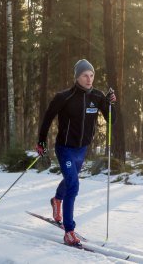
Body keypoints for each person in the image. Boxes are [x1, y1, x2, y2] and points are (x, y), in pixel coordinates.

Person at [36, 59, 116, 246]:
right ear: (77, 77)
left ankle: (57, 200)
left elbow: (112, 121)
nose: (89, 79)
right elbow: (47, 118)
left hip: (82, 149)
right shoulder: (64, 97)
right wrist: (41, 141)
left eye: (91, 75)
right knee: (73, 185)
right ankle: (69, 231)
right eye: (85, 75)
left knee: (70, 179)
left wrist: (112, 104)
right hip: (65, 148)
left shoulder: (97, 97)